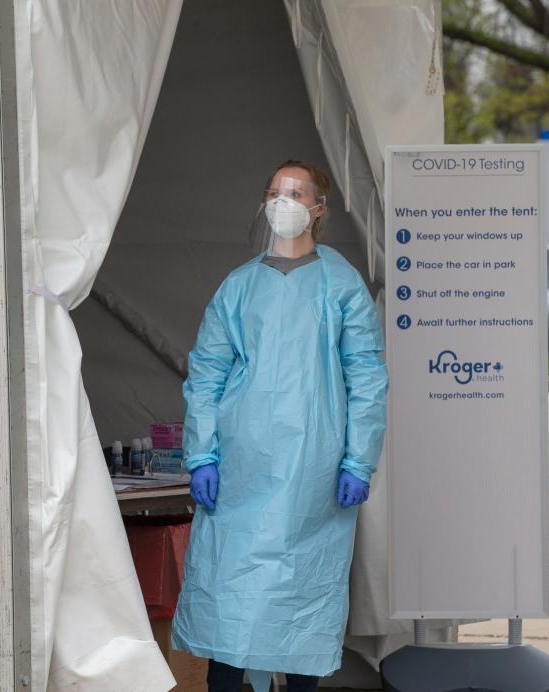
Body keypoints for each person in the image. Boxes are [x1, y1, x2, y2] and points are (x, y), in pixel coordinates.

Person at [171, 161, 388, 692]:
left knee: (298, 596)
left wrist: (359, 459)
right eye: (274, 192)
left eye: (294, 193)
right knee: (232, 598)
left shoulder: (340, 285)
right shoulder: (239, 287)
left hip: (312, 473)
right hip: (241, 470)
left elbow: (368, 376)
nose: (282, 202)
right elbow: (206, 374)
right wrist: (202, 454)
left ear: (319, 208)